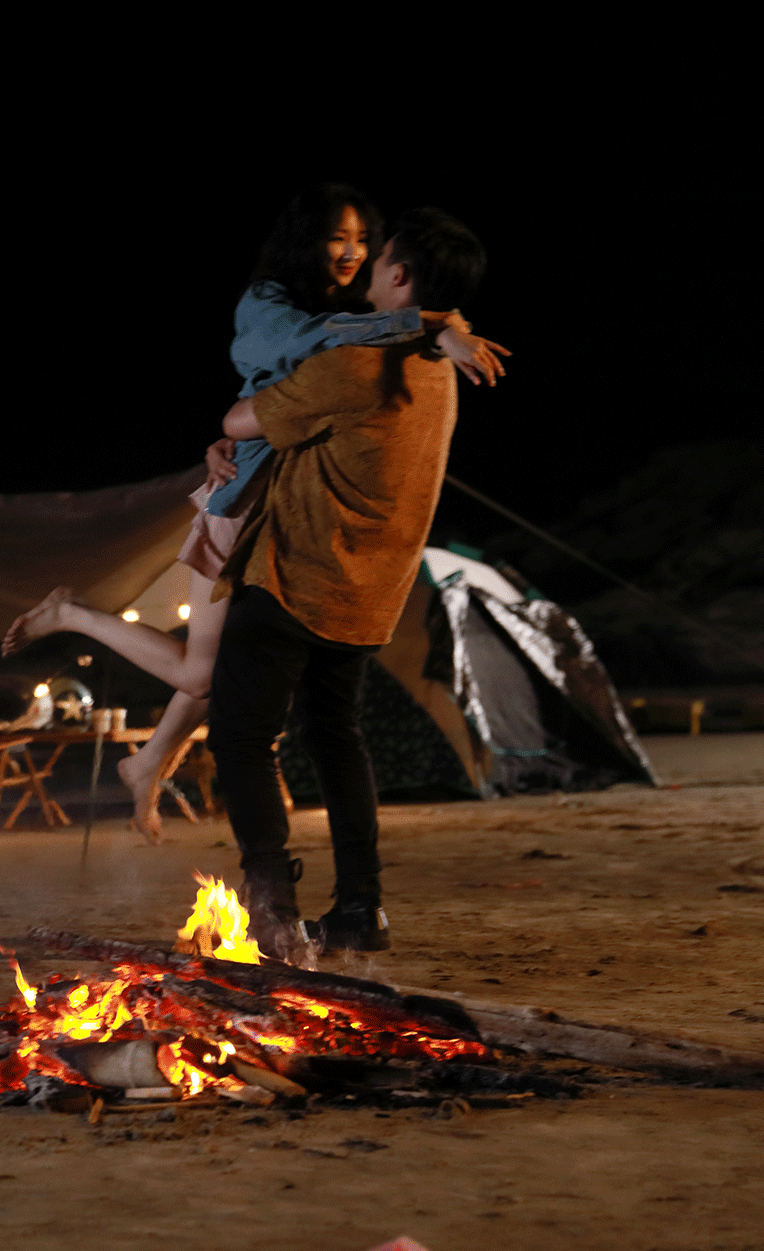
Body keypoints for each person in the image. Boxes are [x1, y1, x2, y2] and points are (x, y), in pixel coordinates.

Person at [2, 185, 507, 840]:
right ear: (306, 239)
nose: (354, 253)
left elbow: (400, 320)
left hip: (285, 510)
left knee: (226, 670)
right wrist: (432, 326)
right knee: (202, 672)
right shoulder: (270, 304)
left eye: (364, 240)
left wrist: (443, 327)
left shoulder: (357, 313)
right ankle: (72, 615)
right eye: (338, 237)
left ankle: (149, 762)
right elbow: (304, 351)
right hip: (241, 499)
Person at [209, 206, 488, 961]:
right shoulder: (439, 370)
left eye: (376, 252)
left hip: (296, 578)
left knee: (241, 736)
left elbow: (241, 420)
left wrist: (228, 433)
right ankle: (361, 909)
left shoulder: (353, 367)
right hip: (372, 594)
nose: (362, 261)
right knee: (337, 740)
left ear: (399, 274)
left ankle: (271, 909)